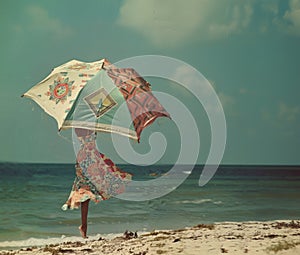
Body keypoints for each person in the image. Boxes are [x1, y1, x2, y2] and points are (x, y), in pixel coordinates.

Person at [62, 128, 132, 238]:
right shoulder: (80, 126)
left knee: (92, 189)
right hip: (85, 158)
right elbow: (82, 138)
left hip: (94, 157)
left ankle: (84, 226)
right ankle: (84, 226)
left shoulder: (92, 124)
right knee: (85, 193)